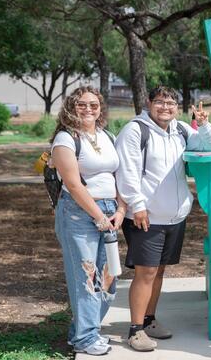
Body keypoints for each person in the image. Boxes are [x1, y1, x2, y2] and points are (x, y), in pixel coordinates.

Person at [115, 86, 211, 352]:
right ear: (149, 103)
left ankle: (149, 321)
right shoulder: (136, 130)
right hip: (145, 216)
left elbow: (208, 145)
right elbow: (126, 172)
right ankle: (135, 330)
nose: (165, 107)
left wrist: (204, 126)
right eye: (160, 102)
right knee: (145, 271)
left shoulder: (181, 130)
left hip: (174, 216)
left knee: (159, 271)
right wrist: (137, 206)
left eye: (171, 103)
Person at [51, 86, 126, 356]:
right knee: (86, 276)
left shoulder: (107, 135)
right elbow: (72, 183)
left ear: (101, 108)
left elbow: (120, 176)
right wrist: (99, 216)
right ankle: (85, 338)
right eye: (82, 104)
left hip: (109, 212)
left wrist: (120, 209)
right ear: (71, 106)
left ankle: (81, 332)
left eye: (94, 105)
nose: (88, 109)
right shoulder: (65, 139)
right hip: (78, 213)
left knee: (108, 278)